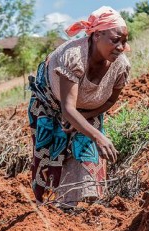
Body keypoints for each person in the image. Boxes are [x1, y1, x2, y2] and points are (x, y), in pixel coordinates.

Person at [28, 6, 130, 208]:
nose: (121, 47)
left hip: (86, 110)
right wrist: (99, 136)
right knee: (50, 152)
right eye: (115, 40)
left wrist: (86, 117)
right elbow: (67, 109)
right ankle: (49, 208)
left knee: (85, 151)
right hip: (50, 105)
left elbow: (110, 101)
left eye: (124, 41)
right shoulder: (74, 56)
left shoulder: (121, 66)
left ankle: (79, 207)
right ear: (96, 35)